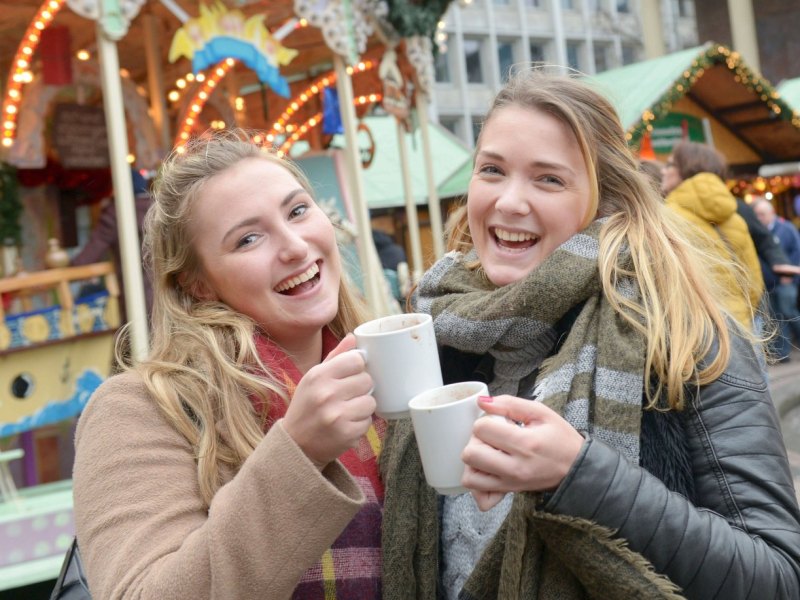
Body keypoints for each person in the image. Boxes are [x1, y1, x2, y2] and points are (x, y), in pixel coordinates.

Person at [380, 69, 800, 600]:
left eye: (548, 178)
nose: (509, 201)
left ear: (605, 200)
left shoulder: (681, 334)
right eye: (492, 170)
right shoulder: (440, 332)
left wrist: (577, 474)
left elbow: (778, 576)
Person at [72, 130, 384, 598]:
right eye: (248, 239)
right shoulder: (139, 410)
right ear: (198, 284)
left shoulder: (389, 371)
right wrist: (299, 452)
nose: (295, 246)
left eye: (298, 211)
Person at [660, 140, 764, 329]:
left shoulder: (664, 219)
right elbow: (754, 281)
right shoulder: (735, 218)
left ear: (687, 168)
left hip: (695, 330)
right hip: (739, 324)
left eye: (670, 164)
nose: (663, 171)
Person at [753, 197, 800, 361]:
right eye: (756, 215)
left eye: (762, 214)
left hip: (786, 282)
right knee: (776, 319)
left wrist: (790, 275)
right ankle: (783, 354)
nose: (759, 218)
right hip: (767, 284)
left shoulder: (786, 229)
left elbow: (797, 252)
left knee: (790, 313)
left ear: (772, 213)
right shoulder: (757, 233)